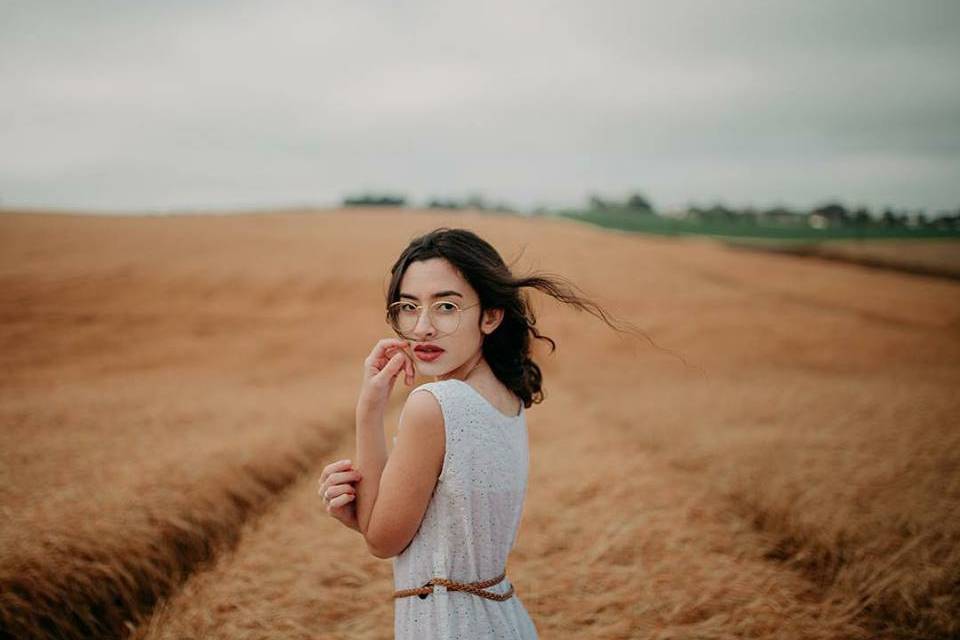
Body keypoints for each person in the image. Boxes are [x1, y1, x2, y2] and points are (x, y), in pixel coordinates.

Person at [318, 226, 666, 638]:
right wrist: (367, 515)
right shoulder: (506, 398)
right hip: (505, 619)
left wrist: (369, 408)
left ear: (491, 315)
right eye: (409, 307)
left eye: (446, 306)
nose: (423, 327)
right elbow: (444, 533)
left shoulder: (434, 405)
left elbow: (383, 541)